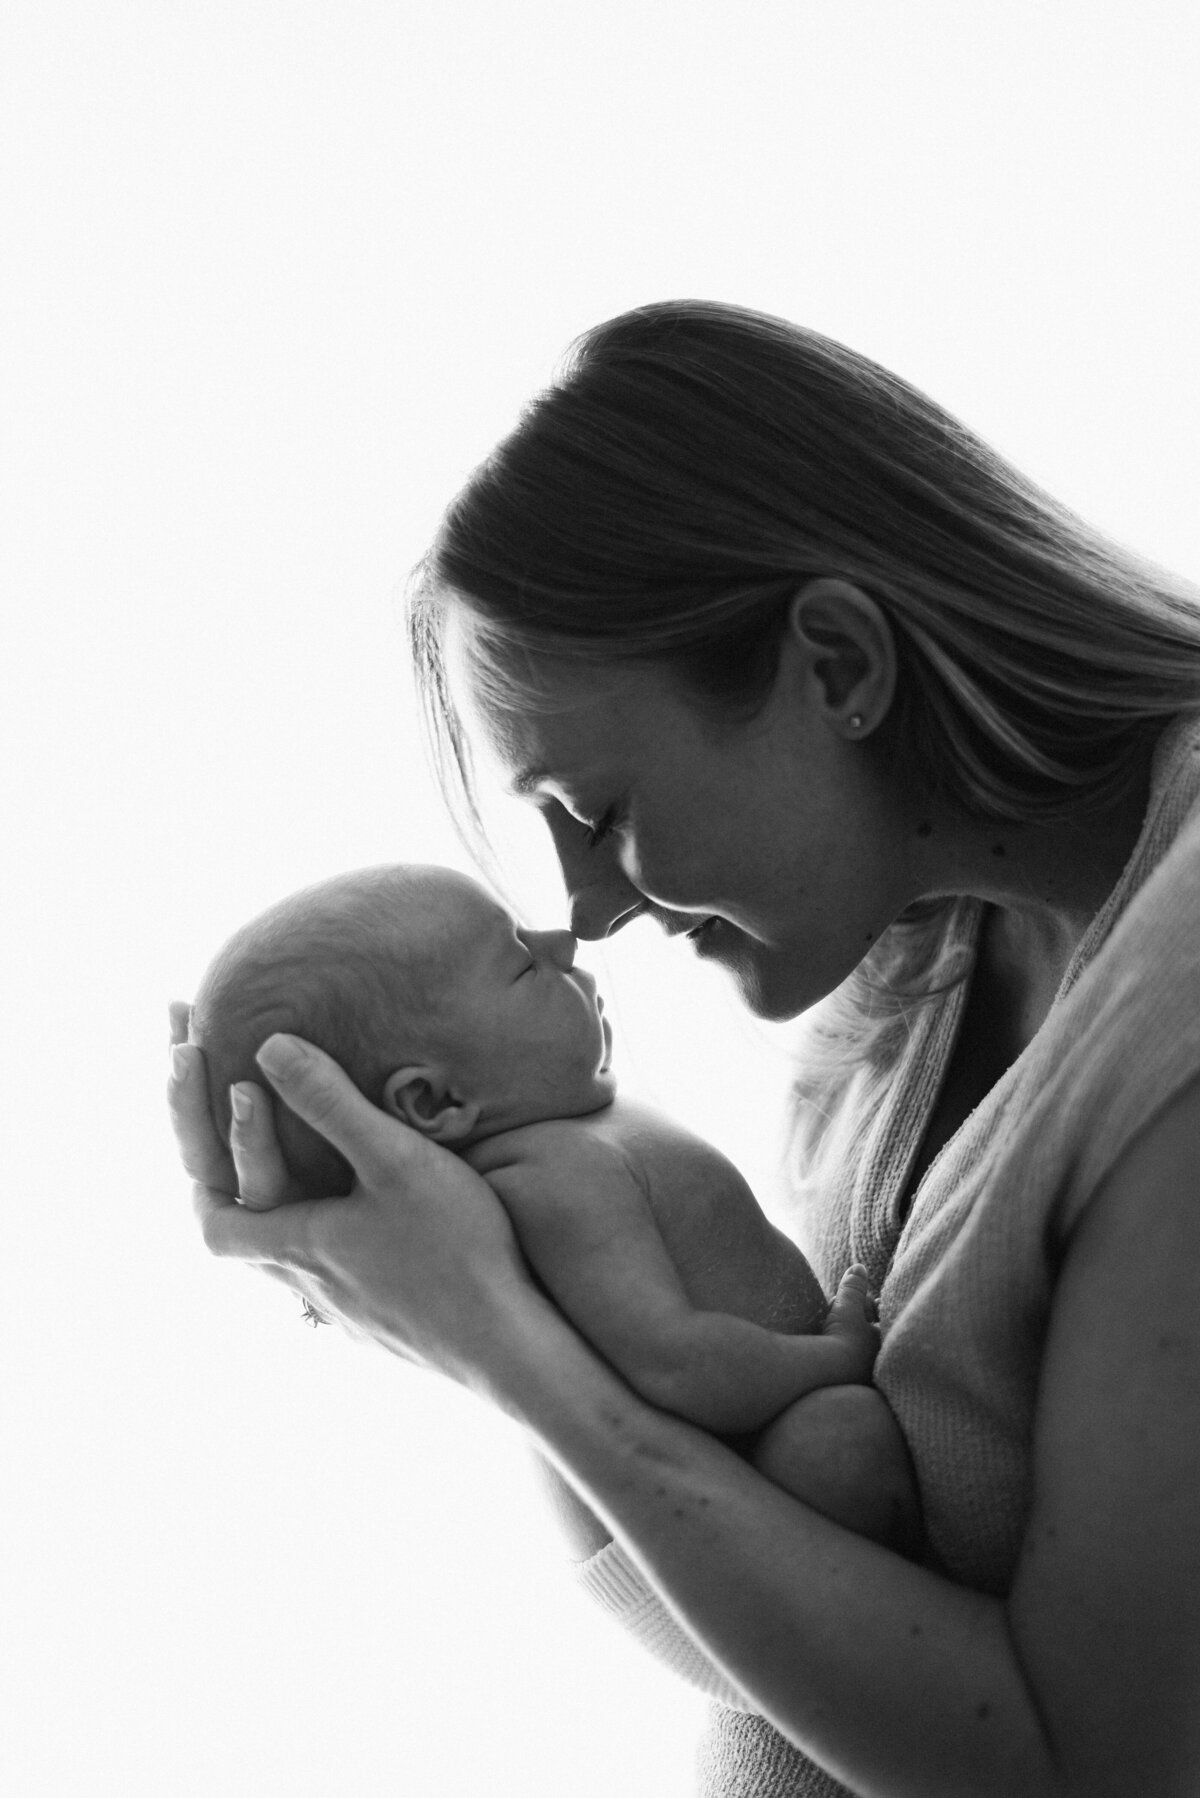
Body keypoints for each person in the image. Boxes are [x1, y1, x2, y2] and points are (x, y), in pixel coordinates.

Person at [171, 300, 1200, 1797]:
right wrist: (503, 1252)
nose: (583, 909)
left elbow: (1088, 1765)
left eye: (596, 807)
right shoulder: (905, 980)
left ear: (838, 664)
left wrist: (508, 1348)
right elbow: (783, 1618)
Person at [188, 859, 921, 1679]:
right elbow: (674, 1362)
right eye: (520, 961)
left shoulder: (573, 1139)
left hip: (716, 1501)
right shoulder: (554, 1182)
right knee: (842, 1442)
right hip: (737, 1500)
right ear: (432, 1104)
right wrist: (833, 1355)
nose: (560, 940)